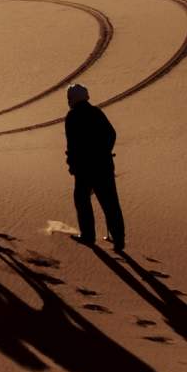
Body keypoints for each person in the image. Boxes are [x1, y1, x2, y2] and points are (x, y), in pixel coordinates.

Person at [65, 83, 125, 251]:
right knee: (110, 202)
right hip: (104, 165)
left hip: (84, 168)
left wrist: (72, 164)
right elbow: (111, 134)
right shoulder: (97, 112)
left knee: (82, 199)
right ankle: (119, 240)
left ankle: (88, 236)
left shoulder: (72, 117)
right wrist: (103, 152)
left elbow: (72, 145)